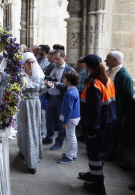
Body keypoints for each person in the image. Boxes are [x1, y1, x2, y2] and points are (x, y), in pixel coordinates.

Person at [77, 55, 117, 195]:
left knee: (94, 153)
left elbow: (95, 110)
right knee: (98, 153)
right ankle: (94, 174)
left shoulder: (95, 84)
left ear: (88, 66)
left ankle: (98, 185)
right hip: (108, 122)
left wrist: (92, 130)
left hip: (99, 126)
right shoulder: (107, 81)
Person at [17, 52, 48, 174]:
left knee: (34, 130)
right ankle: (23, 150)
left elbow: (41, 90)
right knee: (24, 129)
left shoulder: (39, 76)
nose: (30, 64)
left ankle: (32, 160)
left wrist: (48, 87)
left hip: (35, 105)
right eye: (28, 62)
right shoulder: (18, 76)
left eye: (32, 62)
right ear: (23, 64)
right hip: (23, 105)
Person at [43, 49, 76, 150]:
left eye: (58, 59)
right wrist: (46, 82)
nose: (55, 61)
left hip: (62, 100)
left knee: (61, 122)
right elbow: (46, 77)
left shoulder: (69, 70)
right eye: (54, 59)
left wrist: (59, 85)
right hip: (51, 97)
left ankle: (59, 142)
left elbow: (73, 86)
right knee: (49, 120)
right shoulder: (51, 67)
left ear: (64, 57)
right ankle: (49, 137)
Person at [103, 51, 134, 161]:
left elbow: (129, 96)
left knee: (112, 133)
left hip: (115, 110)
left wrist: (119, 109)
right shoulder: (109, 71)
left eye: (108, 58)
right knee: (106, 131)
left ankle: (108, 154)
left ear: (115, 60)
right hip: (107, 108)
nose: (105, 60)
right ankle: (104, 151)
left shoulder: (123, 75)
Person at [57, 71, 80, 164]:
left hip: (70, 118)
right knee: (72, 136)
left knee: (70, 137)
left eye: (64, 78)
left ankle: (69, 156)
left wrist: (65, 122)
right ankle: (73, 154)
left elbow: (69, 109)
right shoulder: (74, 90)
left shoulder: (70, 93)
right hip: (74, 117)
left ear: (69, 81)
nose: (63, 79)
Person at [77, 57, 89, 141]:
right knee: (82, 116)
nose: (78, 64)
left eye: (80, 62)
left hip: (84, 95)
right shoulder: (82, 71)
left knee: (84, 116)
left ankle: (85, 134)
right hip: (81, 94)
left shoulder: (85, 71)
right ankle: (84, 133)